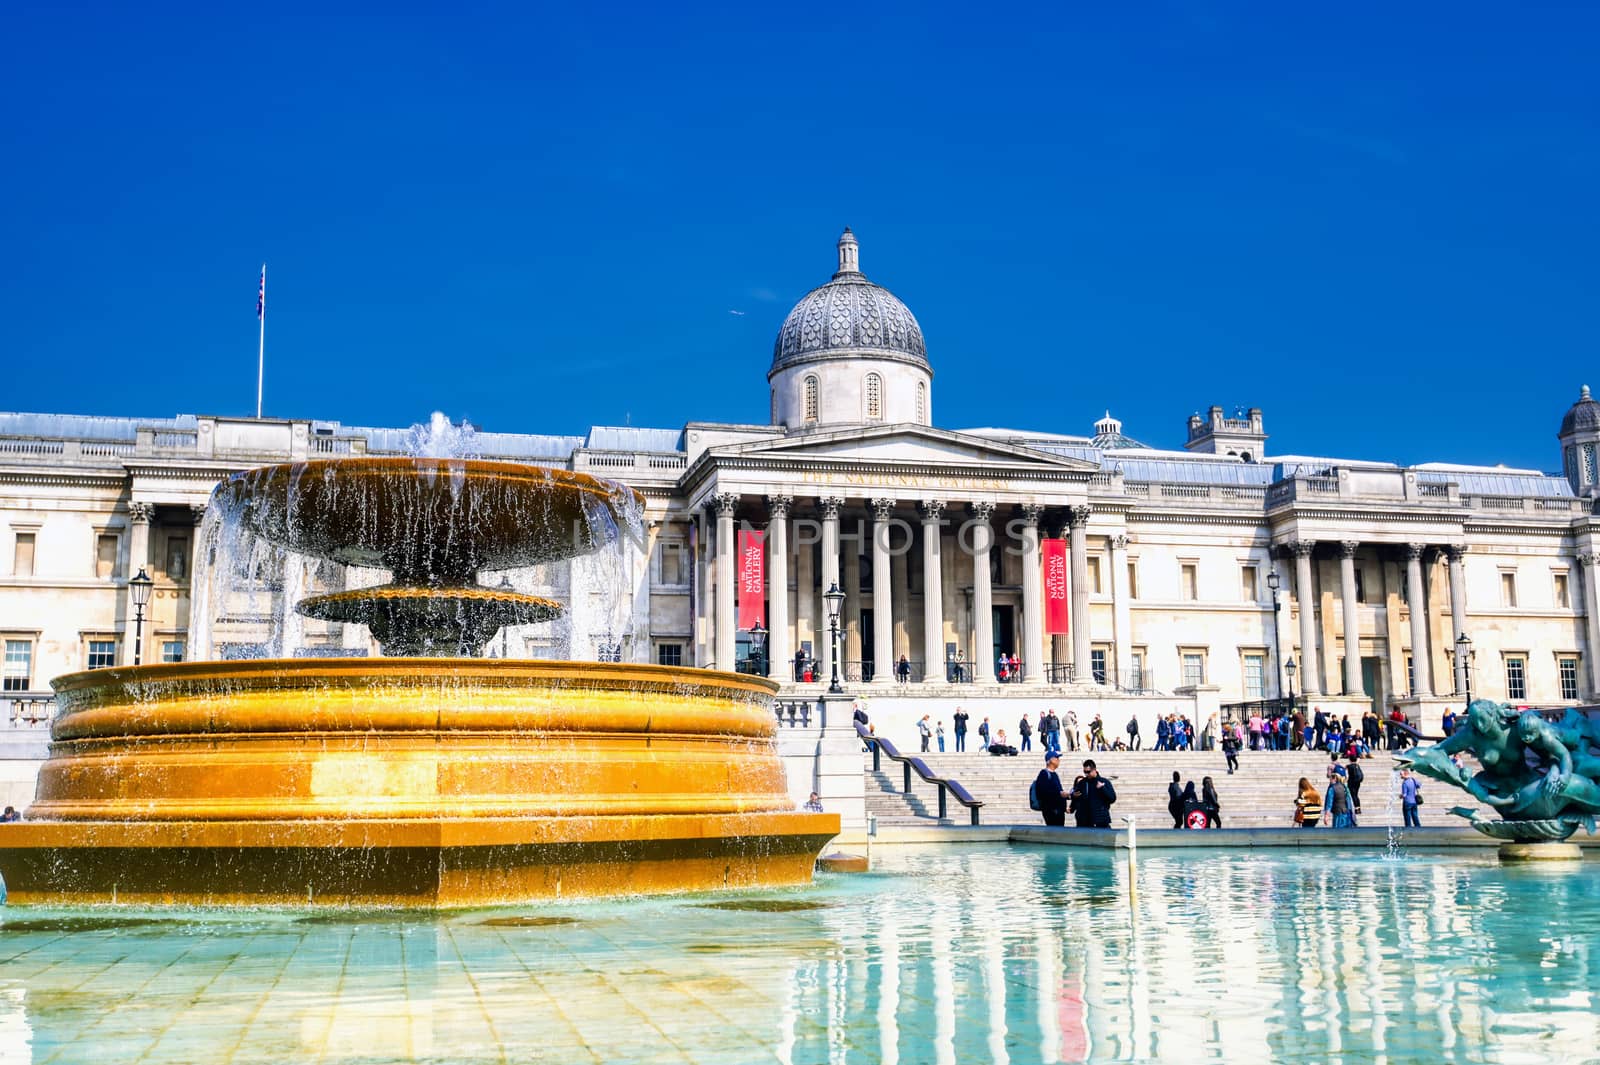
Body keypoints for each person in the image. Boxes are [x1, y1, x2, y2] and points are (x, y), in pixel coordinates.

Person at [1070, 759, 1117, 827]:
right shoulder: (1082, 783)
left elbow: (1112, 798)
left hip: (1101, 820)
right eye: (1084, 772)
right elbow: (1075, 797)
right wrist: (1073, 796)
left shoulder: (1104, 782)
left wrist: (1103, 788)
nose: (1086, 774)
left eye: (1088, 772)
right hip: (1085, 822)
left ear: (1094, 770)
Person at [1035, 755, 1069, 826]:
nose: (1058, 760)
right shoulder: (1044, 774)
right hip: (1051, 810)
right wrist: (1059, 794)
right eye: (1056, 758)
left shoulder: (1054, 774)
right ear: (1050, 760)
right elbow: (1043, 792)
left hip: (1059, 810)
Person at [1345, 752, 1365, 816]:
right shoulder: (1357, 765)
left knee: (1353, 796)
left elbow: (1343, 768)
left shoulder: (1349, 766)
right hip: (1358, 782)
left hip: (1351, 783)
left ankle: (1356, 808)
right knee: (1356, 795)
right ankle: (1358, 808)